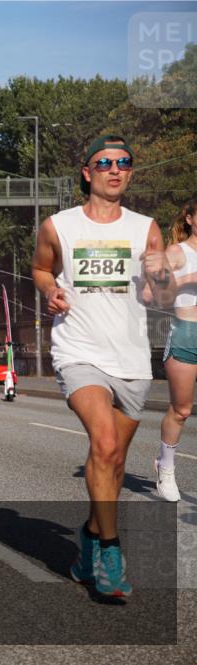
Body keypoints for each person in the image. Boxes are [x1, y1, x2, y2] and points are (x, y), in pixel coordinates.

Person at [33, 135, 175, 597]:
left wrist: (160, 281)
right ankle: (111, 552)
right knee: (105, 441)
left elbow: (162, 290)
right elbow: (41, 268)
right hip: (79, 350)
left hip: (132, 356)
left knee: (112, 463)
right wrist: (49, 290)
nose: (115, 169)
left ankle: (90, 536)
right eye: (105, 162)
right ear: (86, 171)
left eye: (124, 163)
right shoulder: (58, 225)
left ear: (130, 173)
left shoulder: (147, 228)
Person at [155, 199, 197, 503]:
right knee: (181, 410)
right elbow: (158, 295)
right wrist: (188, 279)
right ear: (191, 219)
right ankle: (165, 468)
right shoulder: (177, 253)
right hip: (187, 332)